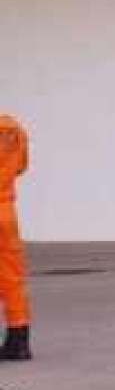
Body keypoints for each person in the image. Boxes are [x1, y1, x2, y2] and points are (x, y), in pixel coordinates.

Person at [1, 114, 27, 361]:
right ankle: (18, 339)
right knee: (12, 278)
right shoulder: (14, 128)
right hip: (7, 212)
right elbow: (21, 166)